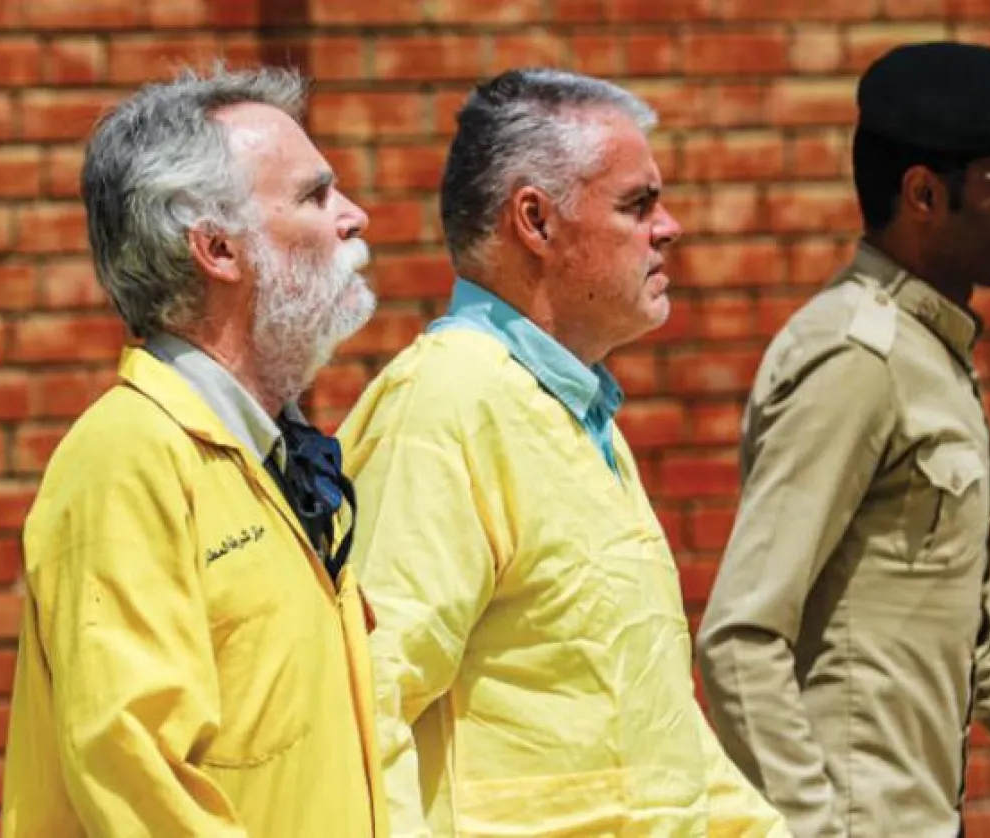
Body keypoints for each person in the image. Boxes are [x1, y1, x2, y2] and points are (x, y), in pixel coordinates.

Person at [695, 41, 990, 838]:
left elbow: (981, 634)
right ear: (924, 193)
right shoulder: (857, 357)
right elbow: (740, 635)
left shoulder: (927, 354)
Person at [334, 68, 791, 838]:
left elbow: (657, 725)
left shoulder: (578, 412)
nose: (669, 227)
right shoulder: (446, 405)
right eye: (638, 205)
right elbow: (365, 704)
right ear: (536, 222)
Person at [1, 64, 388, 837]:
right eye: (315, 195)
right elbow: (138, 774)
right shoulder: (128, 456)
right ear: (217, 248)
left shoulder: (273, 455)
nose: (355, 217)